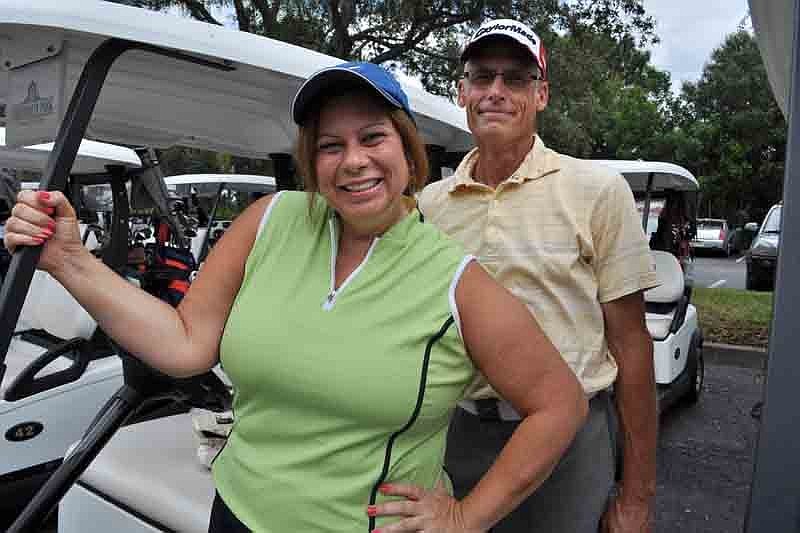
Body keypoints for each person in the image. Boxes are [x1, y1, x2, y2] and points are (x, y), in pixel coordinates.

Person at [4, 61, 588, 532]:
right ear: (313, 160)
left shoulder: (456, 281)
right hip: (235, 511)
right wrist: (69, 259)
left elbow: (559, 404)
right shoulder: (271, 219)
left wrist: (465, 518)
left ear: (408, 151)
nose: (354, 160)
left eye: (373, 136)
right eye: (331, 144)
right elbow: (185, 345)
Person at [418, 19, 660, 533]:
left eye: (516, 79)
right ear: (462, 92)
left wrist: (636, 497)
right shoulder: (430, 206)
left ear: (542, 94)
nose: (496, 93)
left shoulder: (596, 191)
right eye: (481, 77)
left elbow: (632, 346)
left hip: (572, 441)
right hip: (460, 433)